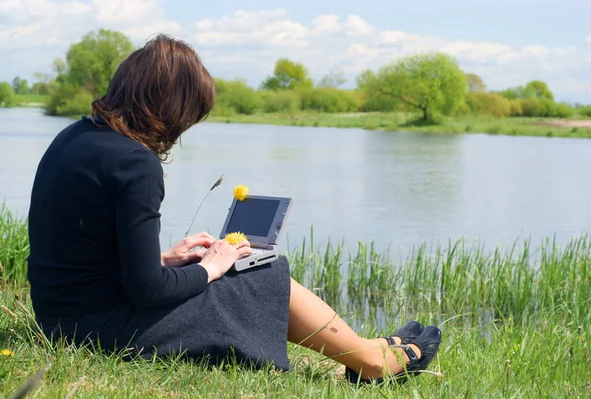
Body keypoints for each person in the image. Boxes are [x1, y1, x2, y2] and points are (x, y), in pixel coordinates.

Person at [27, 34, 442, 385]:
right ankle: (373, 362)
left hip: (60, 319)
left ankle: (363, 350)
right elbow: (146, 291)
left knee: (242, 270)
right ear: (172, 108)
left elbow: (77, 250)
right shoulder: (136, 163)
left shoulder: (74, 136)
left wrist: (162, 259)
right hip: (101, 328)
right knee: (261, 272)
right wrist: (212, 266)